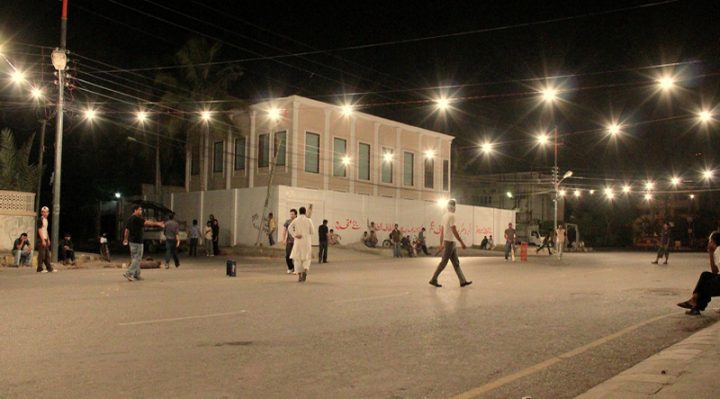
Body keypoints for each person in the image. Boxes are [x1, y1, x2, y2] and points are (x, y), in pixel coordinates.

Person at [429, 199, 472, 288]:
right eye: (455, 206)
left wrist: (441, 243)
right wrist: (461, 242)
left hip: (449, 242)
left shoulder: (444, 216)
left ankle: (462, 281)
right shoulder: (452, 216)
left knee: (456, 263)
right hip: (450, 242)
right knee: (444, 262)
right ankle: (433, 279)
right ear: (453, 207)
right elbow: (454, 230)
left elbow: (442, 231)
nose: (456, 208)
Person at [677, 231, 720, 315]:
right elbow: (715, 271)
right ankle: (695, 301)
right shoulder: (717, 251)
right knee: (705, 275)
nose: (708, 242)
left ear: (713, 242)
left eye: (710, 240)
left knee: (706, 284)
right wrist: (711, 254)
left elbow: (715, 272)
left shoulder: (719, 250)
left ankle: (695, 304)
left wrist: (711, 253)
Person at [122, 205, 163, 281]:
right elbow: (147, 223)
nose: (141, 211)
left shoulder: (129, 219)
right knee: (137, 259)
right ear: (135, 210)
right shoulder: (137, 218)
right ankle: (129, 273)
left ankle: (136, 275)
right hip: (138, 242)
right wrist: (157, 223)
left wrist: (125, 239)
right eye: (140, 210)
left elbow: (127, 230)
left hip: (132, 242)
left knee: (135, 259)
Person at [289, 207, 315, 282]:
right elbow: (312, 231)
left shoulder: (295, 220)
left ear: (299, 212)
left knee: (297, 258)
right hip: (306, 242)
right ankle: (305, 270)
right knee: (307, 258)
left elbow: (289, 227)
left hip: (298, 241)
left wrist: (295, 235)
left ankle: (300, 274)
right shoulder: (309, 220)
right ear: (305, 212)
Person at [37, 206, 55, 273]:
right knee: (41, 254)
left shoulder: (46, 220)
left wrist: (48, 239)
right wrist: (43, 240)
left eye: (46, 212)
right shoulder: (40, 219)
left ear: (48, 213)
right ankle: (39, 268)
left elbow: (45, 230)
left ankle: (49, 268)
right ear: (41, 213)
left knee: (47, 254)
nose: (45, 213)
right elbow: (39, 230)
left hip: (45, 238)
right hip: (41, 239)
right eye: (43, 212)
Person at [282, 209, 297, 274]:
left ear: (296, 214)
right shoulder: (288, 221)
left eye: (292, 214)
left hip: (297, 241)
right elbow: (284, 231)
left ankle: (296, 269)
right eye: (290, 214)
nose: (291, 215)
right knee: (288, 255)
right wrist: (284, 239)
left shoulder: (298, 221)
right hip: (289, 241)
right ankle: (290, 267)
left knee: (296, 256)